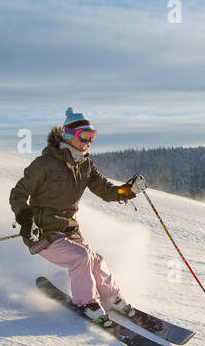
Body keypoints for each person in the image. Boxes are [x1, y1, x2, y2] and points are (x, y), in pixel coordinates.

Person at [10, 108, 139, 322]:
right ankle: (86, 303)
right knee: (81, 258)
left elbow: (106, 190)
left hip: (69, 230)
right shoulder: (45, 164)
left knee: (96, 260)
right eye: (84, 136)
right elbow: (18, 193)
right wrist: (25, 219)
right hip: (42, 232)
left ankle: (112, 298)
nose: (89, 142)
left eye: (92, 136)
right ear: (69, 136)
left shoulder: (85, 165)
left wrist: (129, 191)